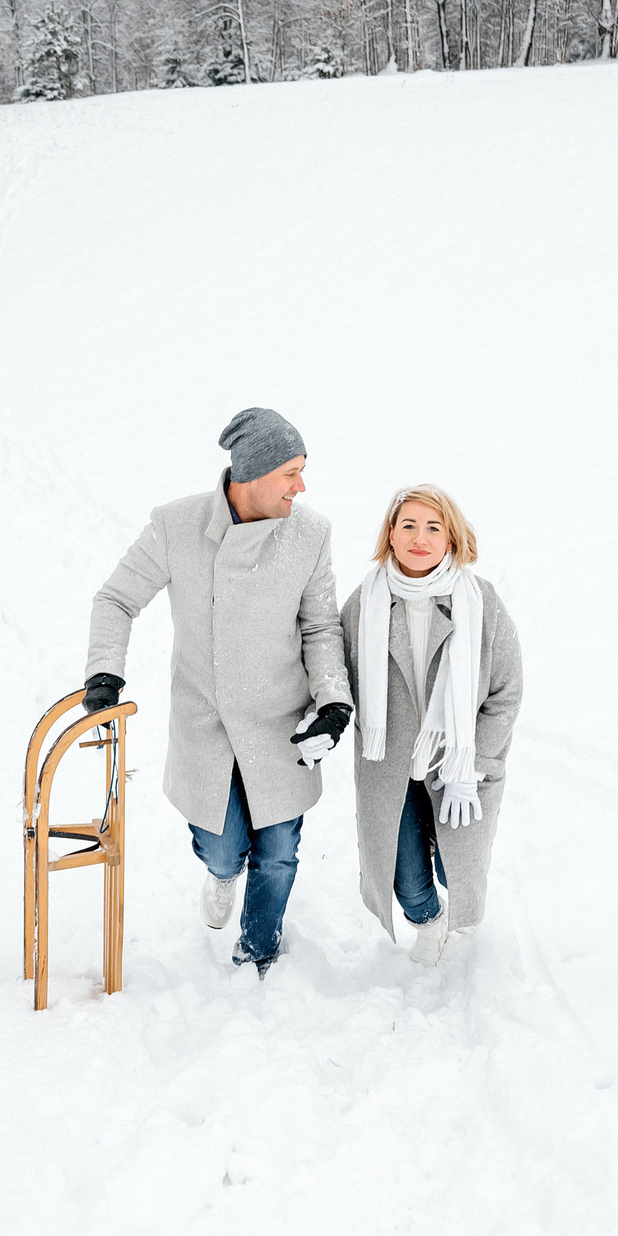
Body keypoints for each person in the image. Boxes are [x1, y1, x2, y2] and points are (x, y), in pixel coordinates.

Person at [82, 408, 352, 976]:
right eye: (291, 473)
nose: (301, 487)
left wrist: (331, 701)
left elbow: (321, 626)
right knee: (224, 846)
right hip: (207, 726)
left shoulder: (310, 533)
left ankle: (259, 950)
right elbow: (116, 599)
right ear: (252, 474)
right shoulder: (175, 526)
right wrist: (105, 672)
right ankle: (221, 873)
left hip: (283, 725)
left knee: (278, 852)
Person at [339, 484, 522, 965]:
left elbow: (505, 692)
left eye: (433, 527)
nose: (421, 538)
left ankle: (455, 910)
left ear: (452, 538)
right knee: (404, 874)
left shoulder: (482, 603)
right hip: (388, 764)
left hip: (458, 766)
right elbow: (334, 674)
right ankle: (426, 920)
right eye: (409, 526)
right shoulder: (365, 605)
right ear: (391, 536)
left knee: (454, 866)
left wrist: (478, 764)